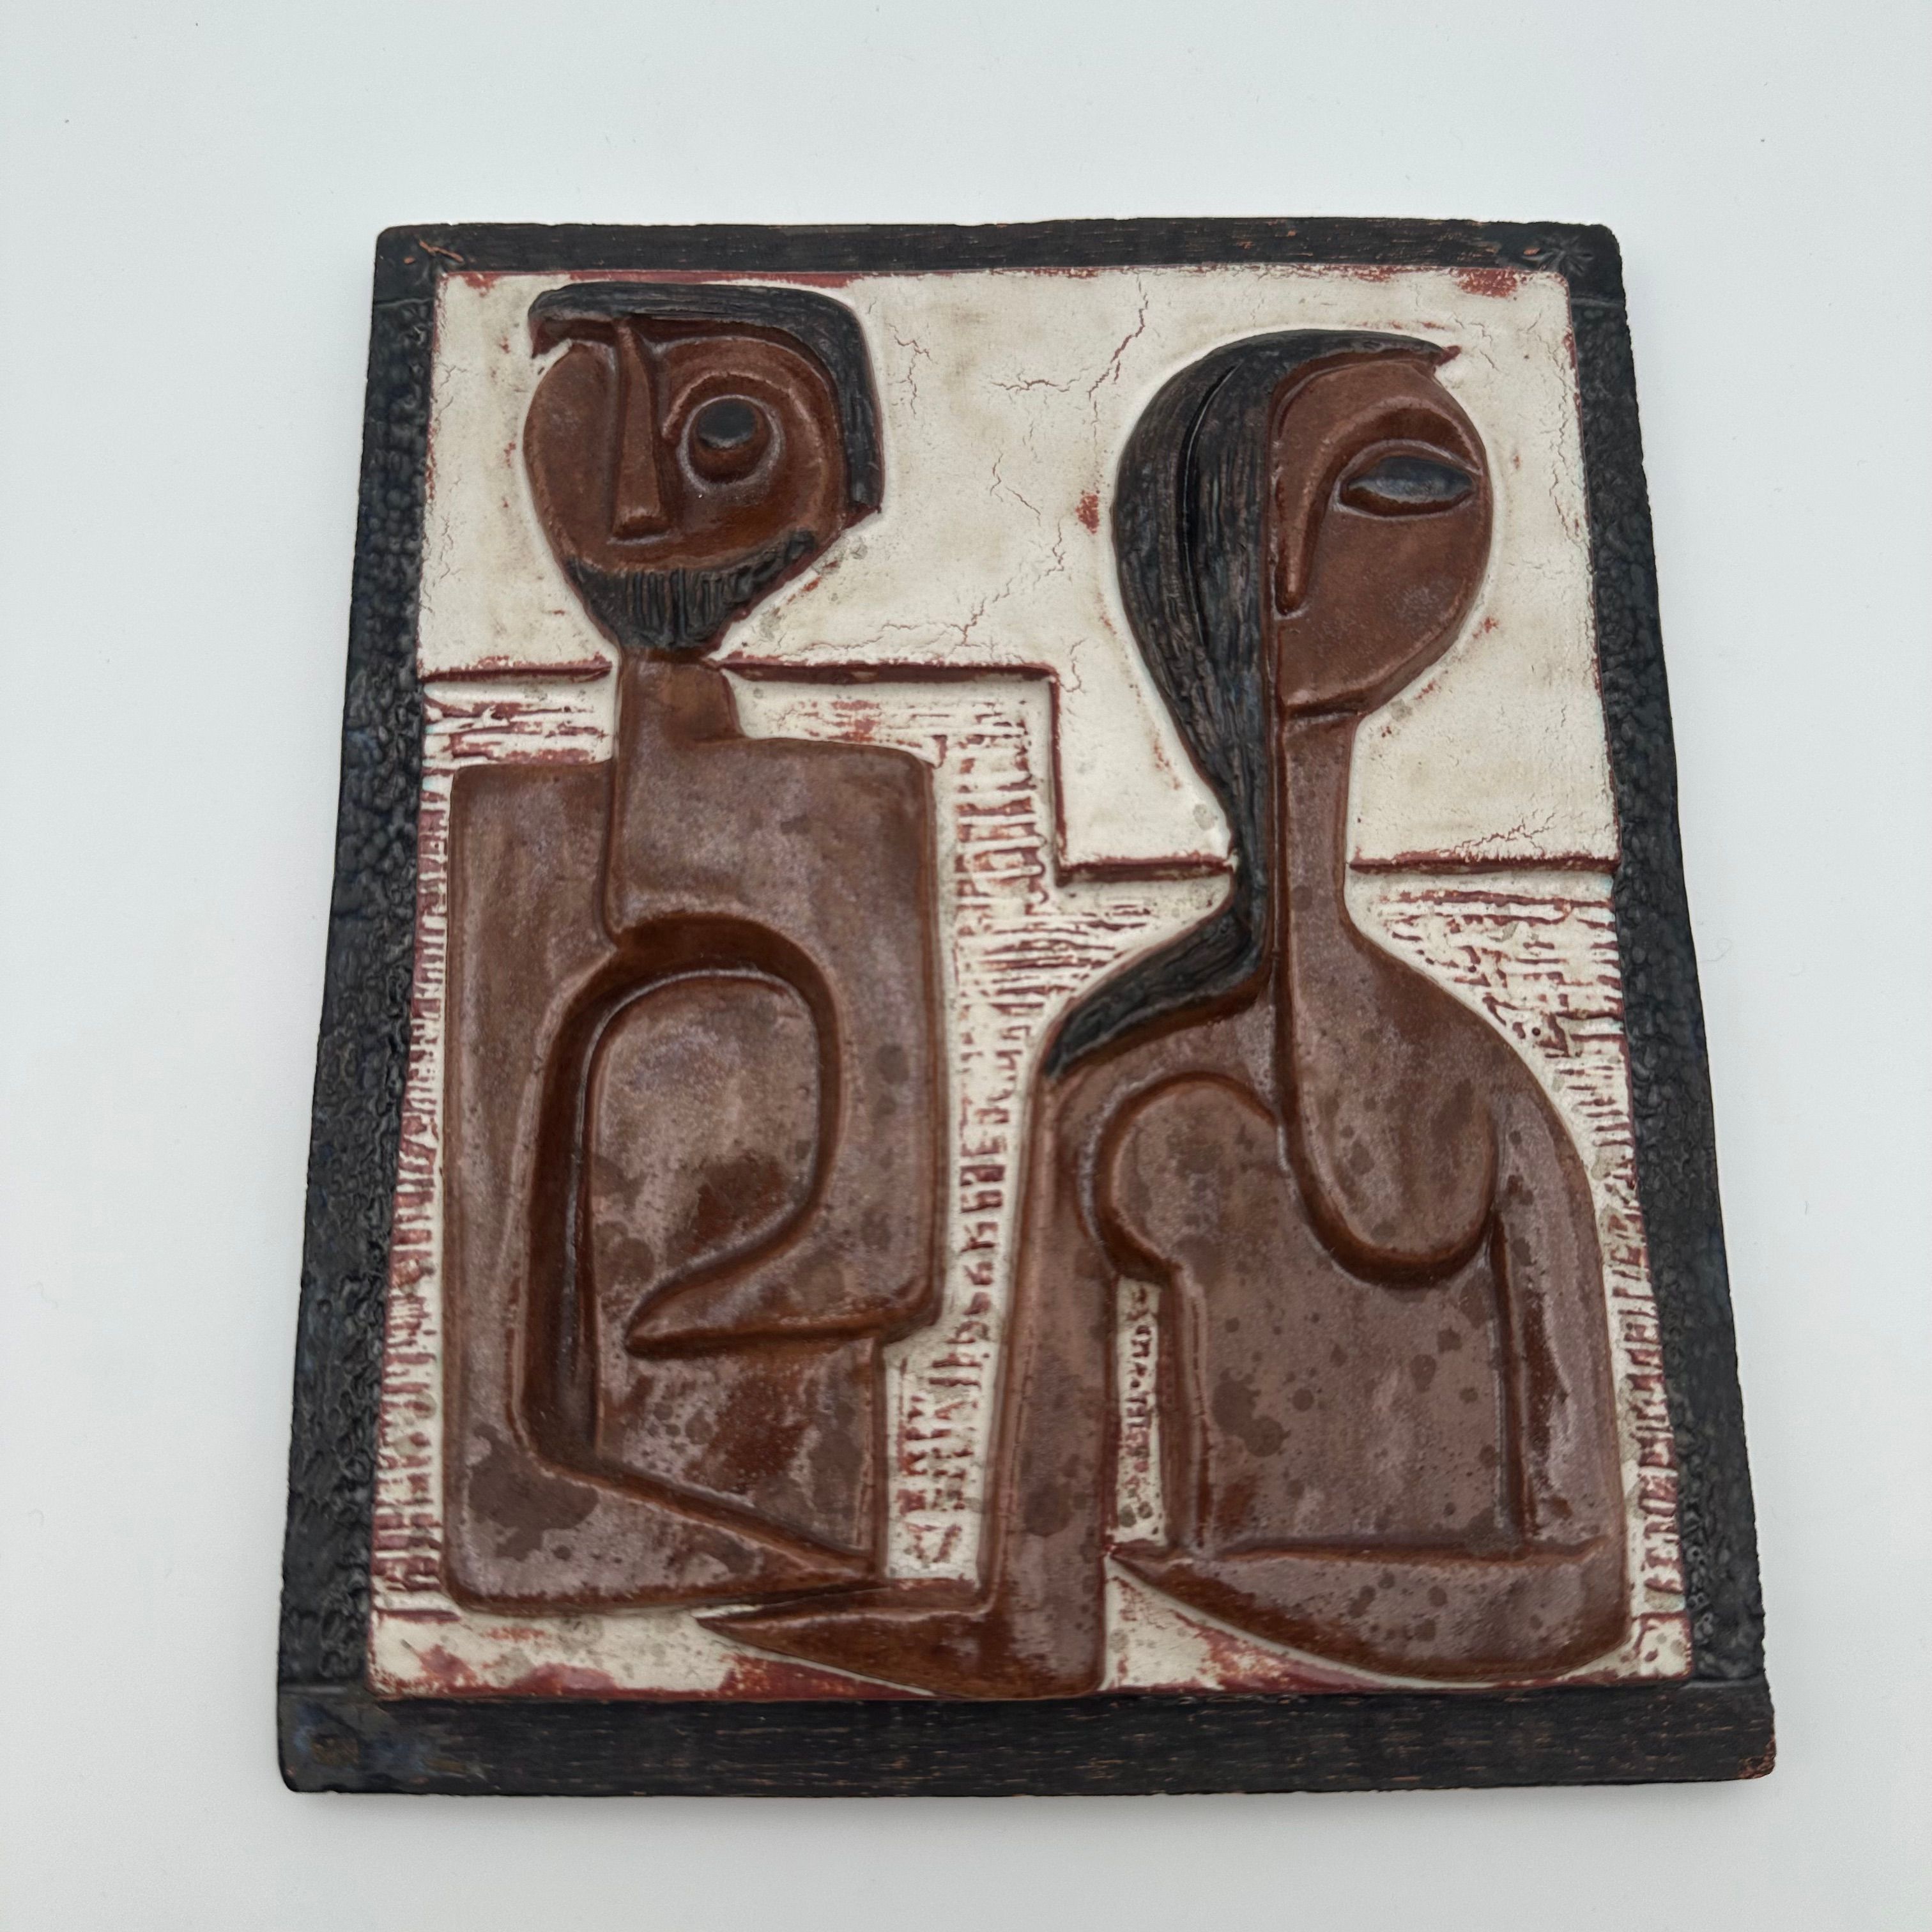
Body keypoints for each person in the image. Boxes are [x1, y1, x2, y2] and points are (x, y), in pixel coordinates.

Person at [712, 331, 1627, 1690]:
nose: (1308, 571)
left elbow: (1586, 1585)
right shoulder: (1117, 1077)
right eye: (1383, 488)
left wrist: (1257, 1589)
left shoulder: (1472, 1084)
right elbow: (1035, 1625)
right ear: (1220, 566)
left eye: (1414, 488)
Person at [441, 286, 946, 1611]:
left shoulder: (839, 818)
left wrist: (725, 1298)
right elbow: (495, 1261)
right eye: (577, 420)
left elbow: (881, 1235)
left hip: (765, 1457)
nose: (632, 505)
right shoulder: (520, 837)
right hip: (575, 1470)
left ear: (843, 486)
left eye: (727, 432)